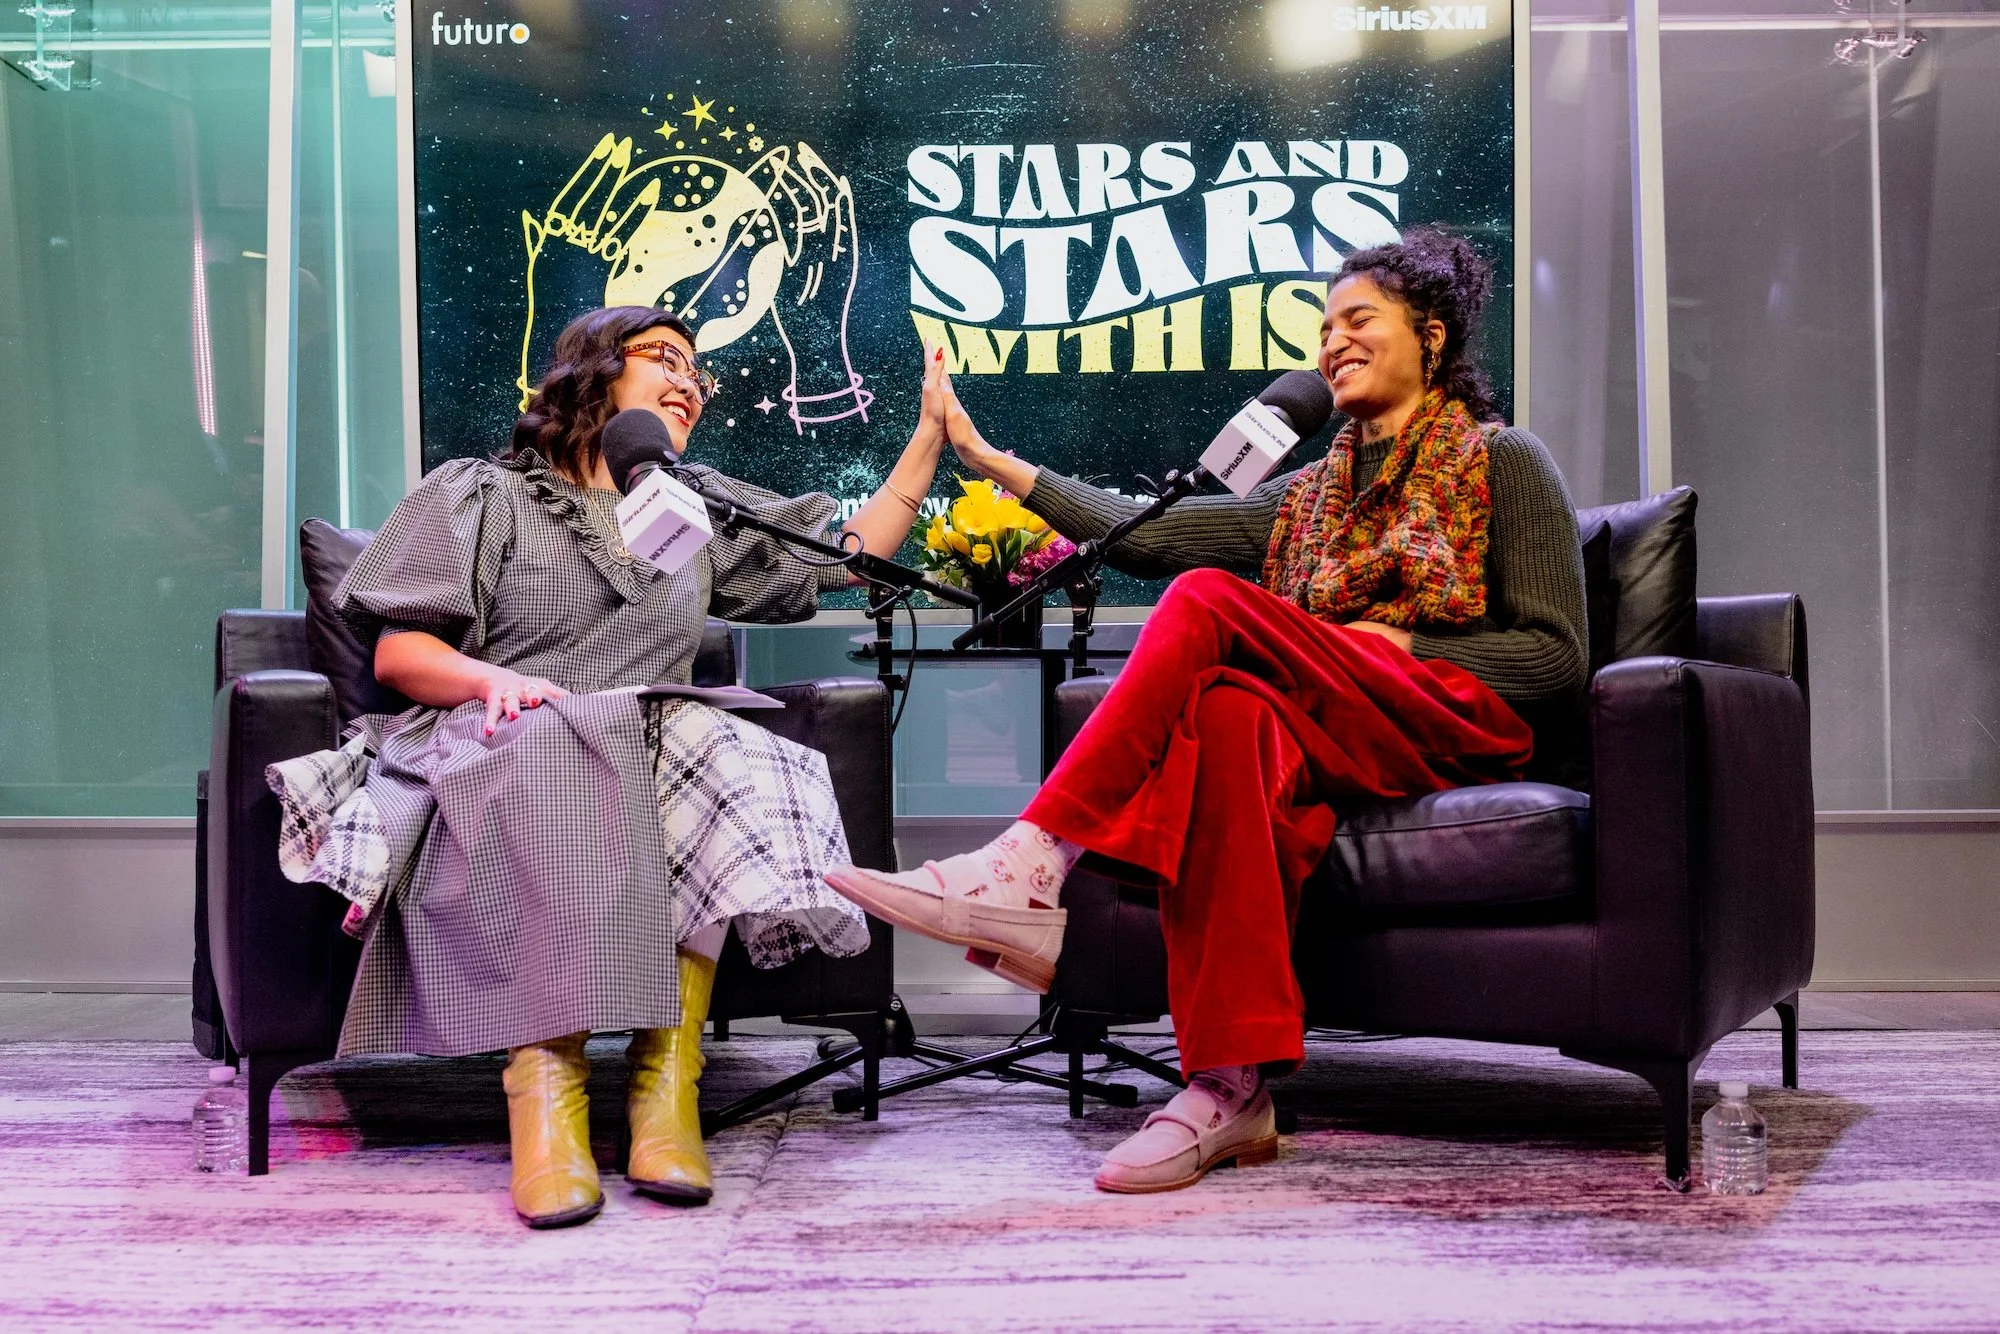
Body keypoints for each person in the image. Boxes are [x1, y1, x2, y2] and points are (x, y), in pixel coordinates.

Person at [824, 228, 1588, 1195]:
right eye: (1324, 327)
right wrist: (987, 457)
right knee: (1228, 717)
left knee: (1208, 604)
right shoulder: (1311, 493)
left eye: (1360, 320)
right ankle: (1231, 1086)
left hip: (1452, 718)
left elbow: (1556, 658)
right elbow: (1154, 540)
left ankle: (1030, 862)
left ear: (1431, 336)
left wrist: (1407, 646)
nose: (1332, 343)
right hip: (1332, 725)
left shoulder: (1504, 459)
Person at [273, 306, 951, 1228]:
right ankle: (545, 1096)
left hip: (652, 743)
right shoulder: (483, 492)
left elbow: (853, 558)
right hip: (502, 735)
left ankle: (664, 1090)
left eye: (699, 376)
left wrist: (928, 438)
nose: (689, 384)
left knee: (735, 746)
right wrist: (494, 679)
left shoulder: (692, 505)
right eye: (665, 359)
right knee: (564, 739)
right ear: (595, 371)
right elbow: (401, 657)